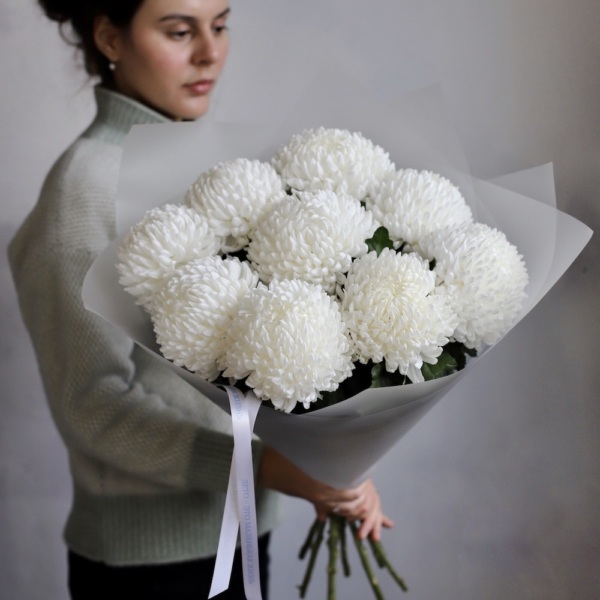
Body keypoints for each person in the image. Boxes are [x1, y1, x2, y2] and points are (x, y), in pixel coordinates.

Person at [8, 1, 393, 598]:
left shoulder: (209, 170)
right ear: (111, 37)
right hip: (149, 568)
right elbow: (92, 406)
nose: (209, 52)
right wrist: (275, 469)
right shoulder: (82, 192)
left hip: (242, 533)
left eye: (219, 24)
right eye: (179, 31)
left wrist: (328, 466)